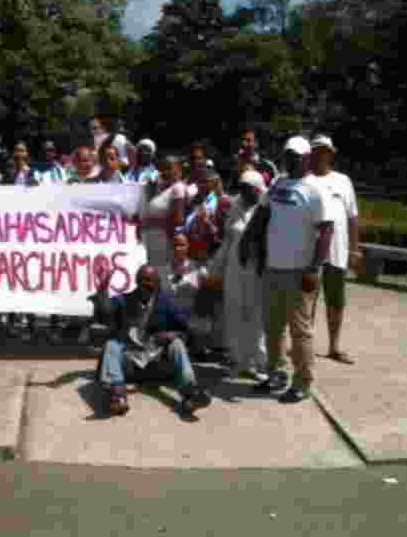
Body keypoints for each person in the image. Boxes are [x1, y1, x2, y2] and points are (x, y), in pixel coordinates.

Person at [239, 136, 334, 403]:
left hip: (300, 271)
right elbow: (262, 214)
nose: (289, 159)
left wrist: (315, 268)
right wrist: (247, 239)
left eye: (295, 156)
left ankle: (303, 382)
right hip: (273, 268)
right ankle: (276, 374)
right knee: (273, 327)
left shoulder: (315, 189)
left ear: (306, 158)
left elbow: (326, 230)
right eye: (287, 155)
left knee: (300, 330)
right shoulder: (279, 183)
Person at [92, 262, 212, 419]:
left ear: (157, 285)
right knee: (112, 345)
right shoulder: (125, 300)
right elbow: (104, 314)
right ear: (137, 282)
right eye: (143, 282)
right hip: (130, 366)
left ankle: (190, 394)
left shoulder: (166, 304)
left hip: (156, 364)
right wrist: (102, 291)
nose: (146, 287)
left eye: (150, 283)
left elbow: (186, 330)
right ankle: (118, 395)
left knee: (177, 344)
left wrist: (172, 334)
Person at [209, 170, 268, 381]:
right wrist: (215, 269)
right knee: (233, 312)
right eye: (241, 189)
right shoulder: (235, 206)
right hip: (234, 267)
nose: (243, 194)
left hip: (257, 270)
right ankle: (236, 360)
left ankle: (258, 363)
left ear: (258, 189)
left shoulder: (267, 208)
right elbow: (227, 240)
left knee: (256, 316)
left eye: (247, 189)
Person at [308, 135, 362, 364]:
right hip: (309, 252)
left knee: (336, 301)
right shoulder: (306, 180)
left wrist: (354, 249)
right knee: (308, 299)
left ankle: (334, 346)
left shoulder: (343, 181)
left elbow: (352, 217)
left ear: (331, 153)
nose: (320, 154)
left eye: (324, 150)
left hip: (337, 252)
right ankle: (303, 346)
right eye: (316, 150)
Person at [137, 155, 188, 267]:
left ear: (179, 170)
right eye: (163, 168)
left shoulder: (177, 188)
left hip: (163, 243)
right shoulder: (162, 190)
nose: (165, 172)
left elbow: (178, 220)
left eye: (169, 168)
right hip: (152, 241)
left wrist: (150, 223)